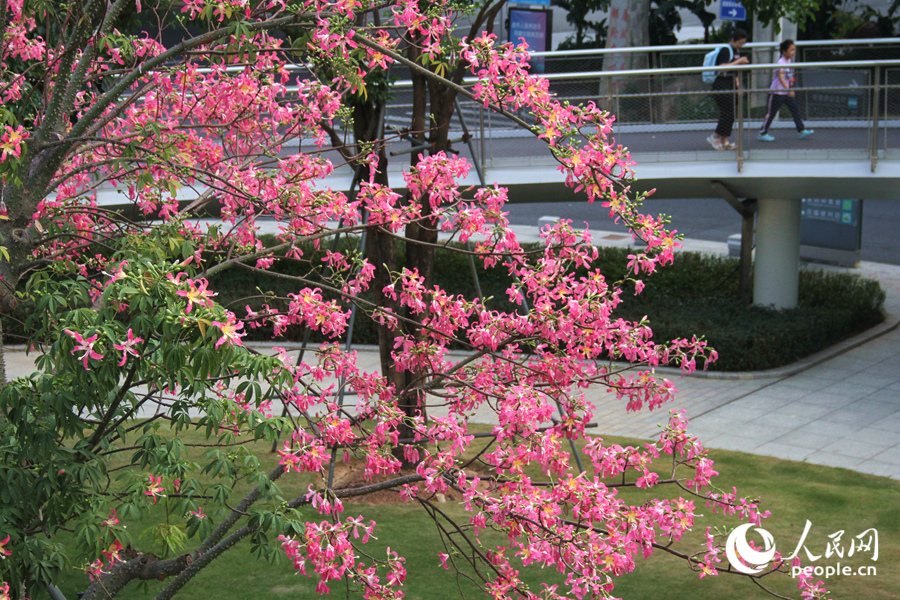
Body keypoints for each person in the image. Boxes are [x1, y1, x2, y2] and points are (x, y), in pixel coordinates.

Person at [758, 39, 814, 141]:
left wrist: (791, 88)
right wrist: (788, 89)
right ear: (784, 51)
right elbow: (781, 77)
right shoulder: (781, 62)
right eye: (791, 50)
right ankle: (762, 133)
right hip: (777, 92)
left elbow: (789, 77)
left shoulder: (789, 61)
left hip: (786, 92)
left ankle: (801, 130)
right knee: (771, 114)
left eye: (794, 50)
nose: (793, 52)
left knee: (795, 109)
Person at [707, 28, 749, 151]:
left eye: (743, 44)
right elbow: (723, 68)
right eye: (739, 43)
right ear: (733, 40)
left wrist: (738, 83)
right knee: (728, 112)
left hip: (730, 84)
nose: (740, 46)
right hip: (721, 84)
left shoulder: (735, 51)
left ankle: (724, 139)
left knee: (732, 112)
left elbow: (733, 71)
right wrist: (739, 61)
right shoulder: (726, 50)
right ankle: (715, 137)